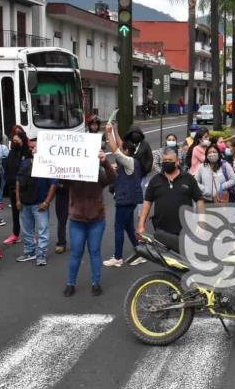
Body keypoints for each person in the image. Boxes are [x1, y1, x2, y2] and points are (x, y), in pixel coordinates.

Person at [63, 151, 117, 297]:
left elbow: (112, 178)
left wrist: (105, 162)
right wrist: (42, 159)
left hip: (96, 219)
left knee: (94, 251)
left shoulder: (98, 173)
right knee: (76, 252)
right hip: (77, 220)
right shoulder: (72, 173)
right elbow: (58, 177)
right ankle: (70, 283)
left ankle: (96, 283)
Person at [104, 123, 145, 268]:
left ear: (127, 151)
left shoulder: (128, 161)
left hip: (125, 199)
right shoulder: (132, 160)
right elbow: (121, 146)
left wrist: (108, 133)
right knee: (128, 228)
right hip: (130, 199)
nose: (121, 150)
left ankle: (118, 257)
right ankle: (141, 253)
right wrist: (115, 130)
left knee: (118, 227)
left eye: (123, 149)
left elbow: (116, 151)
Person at [138, 148, 204, 239]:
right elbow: (147, 203)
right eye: (165, 160)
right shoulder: (155, 180)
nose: (167, 162)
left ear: (177, 162)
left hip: (185, 230)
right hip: (161, 231)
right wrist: (141, 225)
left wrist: (201, 221)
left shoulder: (188, 179)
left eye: (170, 160)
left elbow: (199, 200)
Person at [15, 137, 56, 266]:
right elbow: (18, 181)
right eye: (32, 148)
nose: (33, 150)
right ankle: (30, 252)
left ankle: (41, 255)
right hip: (25, 203)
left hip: (39, 203)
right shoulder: (25, 163)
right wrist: (17, 200)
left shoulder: (49, 164)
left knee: (42, 231)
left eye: (36, 147)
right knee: (27, 230)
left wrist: (47, 202)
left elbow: (53, 184)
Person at [3, 131, 32, 246]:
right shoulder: (12, 152)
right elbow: (8, 167)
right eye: (13, 141)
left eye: (17, 140)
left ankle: (30, 236)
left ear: (22, 140)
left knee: (27, 214)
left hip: (25, 188)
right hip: (12, 187)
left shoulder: (28, 153)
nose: (14, 143)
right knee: (15, 213)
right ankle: (15, 234)